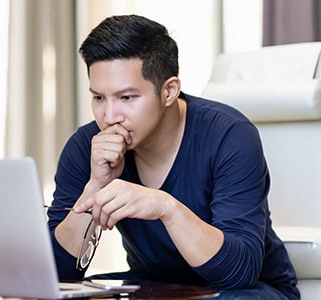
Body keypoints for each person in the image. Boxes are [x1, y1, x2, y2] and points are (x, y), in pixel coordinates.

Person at [46, 15, 299, 300]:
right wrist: (94, 186)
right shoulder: (86, 147)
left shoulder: (230, 136)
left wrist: (165, 207)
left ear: (169, 91)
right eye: (99, 98)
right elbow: (54, 276)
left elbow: (239, 273)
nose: (109, 116)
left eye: (127, 98)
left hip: (245, 290)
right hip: (155, 286)